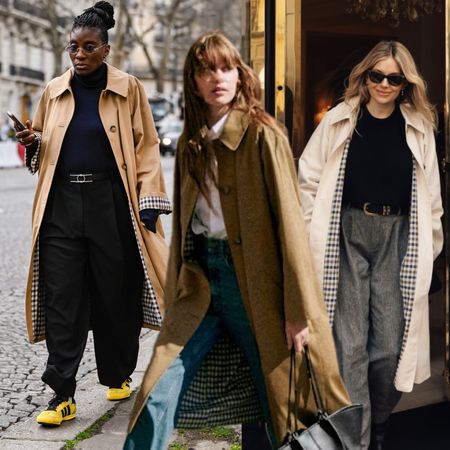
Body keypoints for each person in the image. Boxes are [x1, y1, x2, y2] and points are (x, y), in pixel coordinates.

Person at [123, 31, 351, 450]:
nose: (218, 78)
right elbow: (185, 231)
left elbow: (290, 226)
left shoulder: (264, 135)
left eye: (226, 67)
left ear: (239, 73)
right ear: (193, 81)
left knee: (281, 403)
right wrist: (175, 291)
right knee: (156, 390)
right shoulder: (192, 143)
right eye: (206, 69)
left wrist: (298, 311)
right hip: (201, 286)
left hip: (260, 288)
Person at [14, 1, 170, 427]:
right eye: (73, 47)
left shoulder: (129, 88)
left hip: (111, 204)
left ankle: (118, 373)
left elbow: (147, 147)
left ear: (105, 49)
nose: (79, 54)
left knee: (114, 293)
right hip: (61, 206)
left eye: (88, 47)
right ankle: (62, 393)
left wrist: (150, 200)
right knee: (63, 298)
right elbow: (44, 148)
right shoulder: (53, 91)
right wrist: (33, 141)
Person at [298, 40, 443, 450]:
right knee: (351, 347)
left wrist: (429, 253)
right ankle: (358, 440)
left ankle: (379, 419)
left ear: (404, 83)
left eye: (393, 78)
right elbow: (307, 181)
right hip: (346, 235)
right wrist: (311, 237)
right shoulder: (339, 119)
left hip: (397, 240)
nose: (383, 83)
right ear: (364, 76)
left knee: (390, 348)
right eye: (376, 75)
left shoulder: (418, 127)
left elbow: (432, 201)